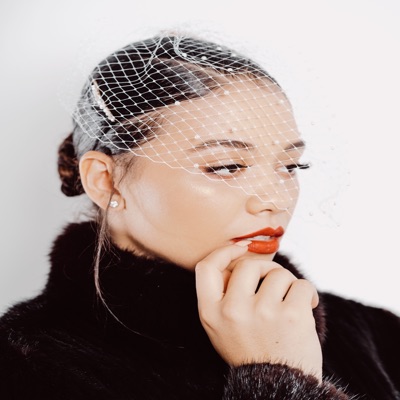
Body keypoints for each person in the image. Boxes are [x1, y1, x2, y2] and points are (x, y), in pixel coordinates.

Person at [0, 34, 399, 400]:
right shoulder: (23, 364)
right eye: (226, 166)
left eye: (291, 166)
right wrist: (280, 379)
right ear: (106, 180)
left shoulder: (372, 333)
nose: (275, 199)